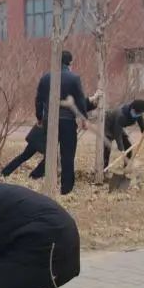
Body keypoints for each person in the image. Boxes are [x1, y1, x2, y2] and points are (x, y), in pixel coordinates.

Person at [31, 50, 88, 194]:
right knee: (67, 154)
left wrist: (39, 118)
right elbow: (80, 100)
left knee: (50, 153)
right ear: (70, 62)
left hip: (50, 121)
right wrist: (84, 118)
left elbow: (38, 100)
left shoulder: (45, 78)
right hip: (68, 121)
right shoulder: (74, 78)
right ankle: (66, 188)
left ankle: (48, 182)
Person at [93, 99, 144, 169]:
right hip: (107, 125)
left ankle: (126, 168)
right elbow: (117, 134)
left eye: (140, 113)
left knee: (128, 147)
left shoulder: (137, 113)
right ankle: (104, 170)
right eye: (137, 113)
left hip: (118, 125)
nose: (138, 115)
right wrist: (121, 149)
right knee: (107, 148)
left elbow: (141, 120)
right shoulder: (121, 115)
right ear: (132, 109)